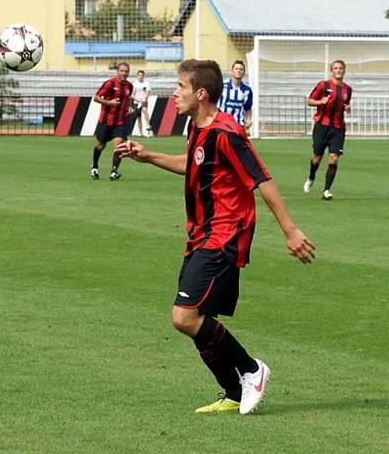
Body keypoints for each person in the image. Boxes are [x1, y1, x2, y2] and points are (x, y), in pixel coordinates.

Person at [115, 59, 315, 415]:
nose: (175, 93)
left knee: (184, 316)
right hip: (201, 235)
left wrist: (290, 230)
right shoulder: (198, 129)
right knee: (197, 317)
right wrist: (147, 156)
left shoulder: (226, 132)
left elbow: (262, 179)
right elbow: (192, 163)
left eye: (181, 87)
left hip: (225, 235)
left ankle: (253, 370)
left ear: (200, 93)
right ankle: (233, 392)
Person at [303, 60, 352, 200]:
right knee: (317, 157)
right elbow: (310, 101)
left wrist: (348, 109)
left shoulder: (348, 90)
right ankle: (311, 177)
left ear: (344, 70)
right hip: (322, 127)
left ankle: (326, 190)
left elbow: (345, 106)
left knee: (334, 158)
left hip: (338, 129)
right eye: (336, 68)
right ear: (332, 70)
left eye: (341, 68)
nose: (338, 70)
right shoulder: (323, 85)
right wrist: (320, 102)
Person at [91, 62, 133, 181]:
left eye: (126, 71)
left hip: (120, 122)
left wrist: (129, 107)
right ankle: (94, 166)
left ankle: (114, 171)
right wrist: (110, 103)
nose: (124, 73)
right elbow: (96, 97)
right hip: (105, 121)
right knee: (100, 146)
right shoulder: (110, 83)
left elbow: (128, 98)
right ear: (117, 72)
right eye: (122, 71)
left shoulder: (129, 86)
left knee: (119, 147)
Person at [217, 60, 253, 130]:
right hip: (222, 125)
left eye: (241, 69)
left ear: (244, 72)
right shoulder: (222, 85)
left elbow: (248, 108)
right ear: (232, 71)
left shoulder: (247, 90)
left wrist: (248, 120)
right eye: (236, 69)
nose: (238, 71)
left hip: (238, 126)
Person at [130, 70, 153, 137]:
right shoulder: (134, 84)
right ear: (137, 76)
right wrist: (137, 99)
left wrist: (144, 99)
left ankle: (148, 126)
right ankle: (140, 133)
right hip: (136, 102)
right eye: (139, 75)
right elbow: (132, 94)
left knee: (144, 110)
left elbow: (148, 92)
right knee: (138, 118)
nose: (141, 77)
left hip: (144, 101)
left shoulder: (147, 83)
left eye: (142, 75)